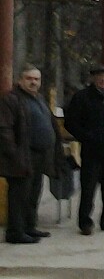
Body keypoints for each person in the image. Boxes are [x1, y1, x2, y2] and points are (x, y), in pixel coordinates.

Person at [0, 65, 63, 244]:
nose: (33, 82)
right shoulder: (11, 100)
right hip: (22, 156)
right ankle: (15, 232)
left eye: (37, 79)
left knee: (34, 193)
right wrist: (14, 153)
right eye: (29, 78)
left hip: (40, 155)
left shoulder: (39, 99)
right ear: (20, 80)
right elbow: (4, 129)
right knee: (19, 196)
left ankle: (29, 227)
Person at [64, 66, 104, 236]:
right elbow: (70, 122)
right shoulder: (82, 97)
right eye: (100, 76)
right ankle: (85, 222)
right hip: (92, 151)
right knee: (88, 188)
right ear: (93, 78)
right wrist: (86, 137)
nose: (103, 80)